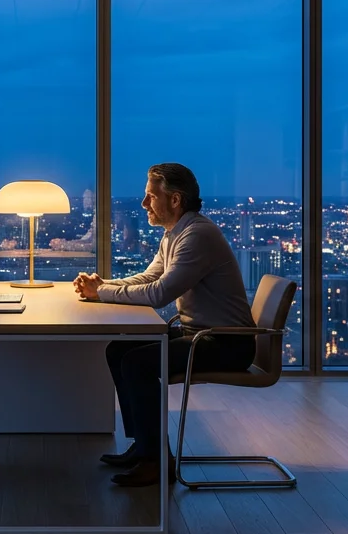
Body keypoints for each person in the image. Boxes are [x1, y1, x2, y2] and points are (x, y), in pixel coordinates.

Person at [74, 163, 257, 488]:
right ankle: (144, 446)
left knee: (136, 363)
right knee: (119, 350)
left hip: (227, 343)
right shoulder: (175, 233)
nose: (144, 203)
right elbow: (149, 277)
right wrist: (103, 285)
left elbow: (159, 294)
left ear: (175, 199)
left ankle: (155, 462)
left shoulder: (197, 235)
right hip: (200, 334)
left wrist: (100, 293)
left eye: (151, 196)